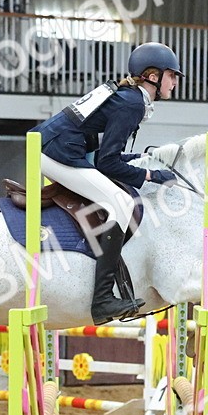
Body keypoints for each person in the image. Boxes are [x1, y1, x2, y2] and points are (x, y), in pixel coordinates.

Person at [29, 42, 183, 324]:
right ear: (153, 76)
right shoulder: (133, 103)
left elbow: (107, 155)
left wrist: (143, 160)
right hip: (56, 151)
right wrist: (150, 176)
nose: (175, 83)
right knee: (122, 203)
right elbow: (108, 164)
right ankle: (101, 299)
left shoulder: (130, 97)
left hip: (58, 146)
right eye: (172, 75)